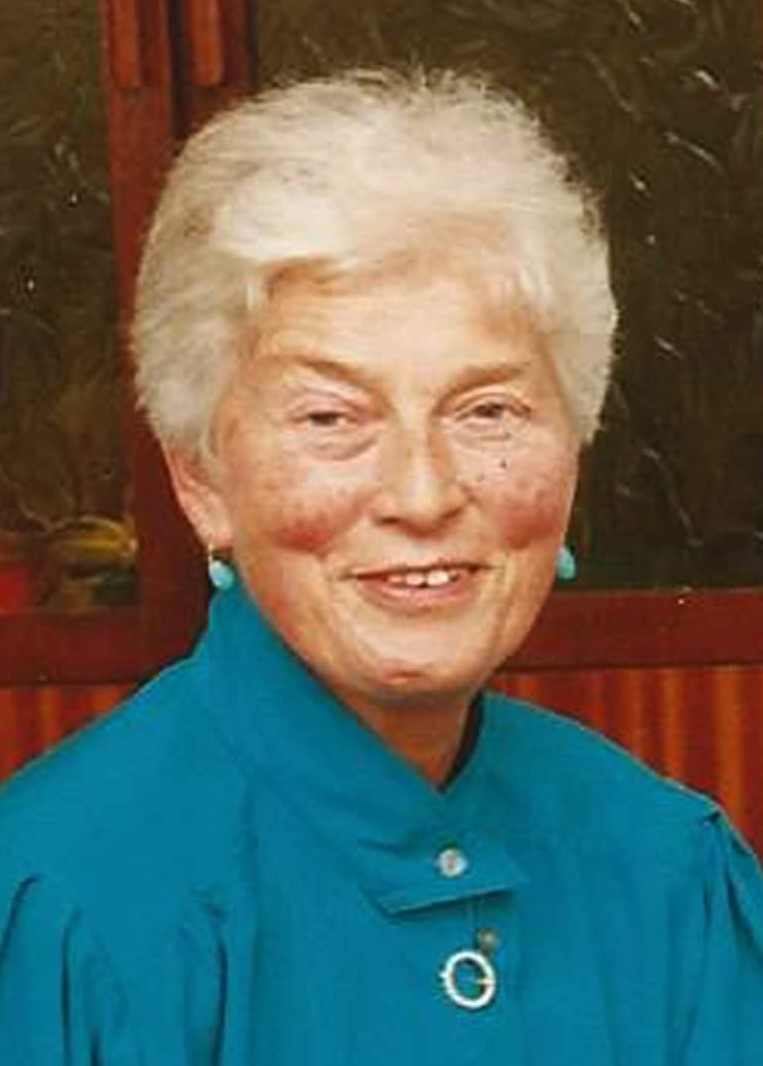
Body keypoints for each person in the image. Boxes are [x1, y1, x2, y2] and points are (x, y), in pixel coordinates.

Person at [0, 68, 761, 1064]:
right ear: (201, 479)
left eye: (487, 410)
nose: (422, 492)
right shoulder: (60, 903)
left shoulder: (666, 867)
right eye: (331, 417)